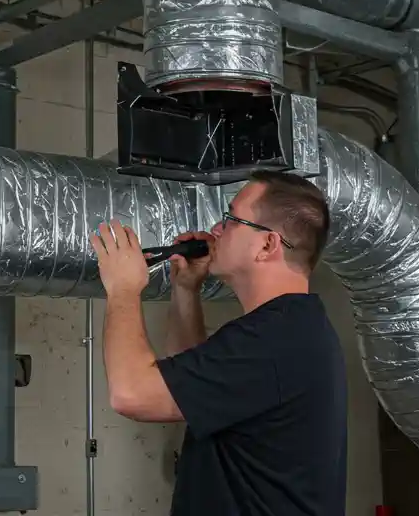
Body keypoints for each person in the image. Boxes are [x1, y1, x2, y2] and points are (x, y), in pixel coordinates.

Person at [90, 169, 348, 516]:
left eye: (230, 220)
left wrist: (123, 289)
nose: (216, 230)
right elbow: (188, 390)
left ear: (267, 244)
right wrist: (185, 290)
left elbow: (131, 394)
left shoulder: (274, 339)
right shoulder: (291, 329)